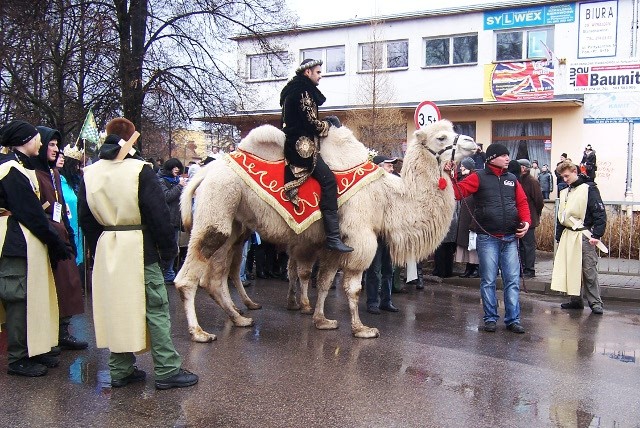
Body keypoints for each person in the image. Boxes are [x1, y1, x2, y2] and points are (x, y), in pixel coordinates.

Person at [78, 117, 198, 389]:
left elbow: (86, 220)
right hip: (140, 247)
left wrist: (103, 244)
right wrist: (167, 249)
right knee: (155, 308)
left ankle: (120, 369)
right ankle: (167, 369)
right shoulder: (140, 170)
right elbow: (157, 215)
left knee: (117, 307)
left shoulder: (90, 173)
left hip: (108, 246)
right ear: (132, 139)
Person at [0, 120, 72, 376]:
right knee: (19, 298)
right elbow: (29, 212)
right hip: (15, 242)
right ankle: (18, 357)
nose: (40, 142)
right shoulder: (10, 170)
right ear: (23, 141)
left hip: (26, 240)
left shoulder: (20, 168)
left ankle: (35, 349)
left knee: (34, 296)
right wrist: (55, 241)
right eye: (35, 138)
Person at [446, 143, 531, 334]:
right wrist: (449, 176)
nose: (508, 158)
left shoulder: (512, 179)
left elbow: (522, 202)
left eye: (508, 155)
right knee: (488, 280)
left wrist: (526, 222)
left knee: (512, 281)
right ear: (492, 158)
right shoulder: (478, 177)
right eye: (503, 155)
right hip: (488, 237)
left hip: (510, 237)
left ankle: (513, 320)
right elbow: (457, 193)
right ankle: (490, 318)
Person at [280, 58, 352, 253]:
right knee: (329, 181)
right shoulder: (304, 91)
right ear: (307, 73)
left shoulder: (292, 89)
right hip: (302, 147)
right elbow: (312, 123)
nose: (320, 76)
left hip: (293, 141)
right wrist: (328, 124)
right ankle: (333, 237)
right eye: (318, 72)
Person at [33, 126, 87, 350]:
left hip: (61, 233)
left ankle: (63, 330)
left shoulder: (55, 174)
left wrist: (70, 235)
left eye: (57, 145)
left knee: (67, 283)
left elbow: (62, 207)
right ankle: (45, 336)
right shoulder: (34, 173)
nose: (55, 149)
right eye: (52, 145)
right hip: (44, 237)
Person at [551, 161, 606, 314]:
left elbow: (599, 212)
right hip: (568, 234)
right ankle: (575, 299)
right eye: (563, 177)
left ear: (574, 171)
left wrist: (597, 235)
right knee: (571, 268)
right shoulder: (565, 192)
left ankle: (595, 302)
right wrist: (559, 236)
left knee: (588, 270)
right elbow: (561, 215)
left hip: (584, 234)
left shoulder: (589, 189)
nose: (565, 179)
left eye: (567, 176)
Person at [365, 155, 399, 313]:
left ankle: (386, 300)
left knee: (388, 270)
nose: (392, 169)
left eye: (392, 167)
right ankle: (372, 302)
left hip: (390, 234)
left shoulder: (395, 185)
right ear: (378, 167)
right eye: (389, 166)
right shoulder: (370, 186)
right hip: (376, 233)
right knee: (374, 270)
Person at [157, 158, 186, 284]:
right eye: (174, 167)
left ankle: (169, 272)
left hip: (175, 220)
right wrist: (179, 186)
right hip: (166, 220)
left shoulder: (176, 181)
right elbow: (167, 197)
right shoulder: (161, 181)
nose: (177, 169)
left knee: (174, 248)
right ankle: (167, 273)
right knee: (168, 248)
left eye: (178, 167)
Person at [516, 159, 544, 279]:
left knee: (528, 245)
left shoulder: (532, 182)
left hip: (530, 219)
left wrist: (535, 215)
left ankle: (529, 269)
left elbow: (539, 201)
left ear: (523, 168)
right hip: (521, 218)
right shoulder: (519, 180)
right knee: (521, 245)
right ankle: (522, 268)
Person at [455, 157, 479, 278]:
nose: (461, 168)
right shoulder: (463, 179)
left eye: (464, 166)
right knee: (467, 245)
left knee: (473, 245)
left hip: (473, 219)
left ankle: (475, 268)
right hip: (465, 218)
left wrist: (474, 221)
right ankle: (468, 268)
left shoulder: (475, 180)